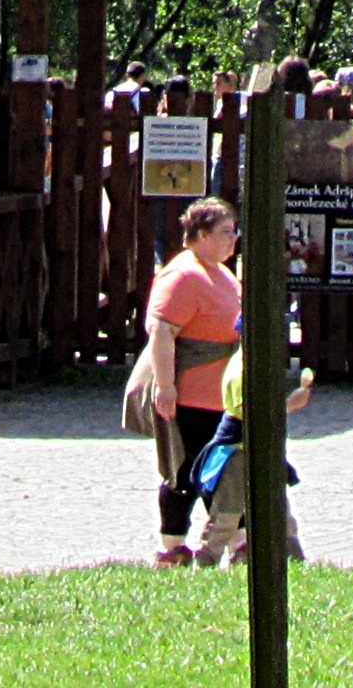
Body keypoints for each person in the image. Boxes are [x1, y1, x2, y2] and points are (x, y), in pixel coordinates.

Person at [146, 196, 246, 567]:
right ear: (200, 235)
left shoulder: (220, 271)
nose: (232, 239)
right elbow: (161, 331)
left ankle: (240, 543)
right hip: (193, 397)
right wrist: (165, 386)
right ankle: (172, 548)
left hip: (223, 399)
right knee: (186, 472)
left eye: (234, 232)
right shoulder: (184, 273)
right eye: (224, 232)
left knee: (226, 470)